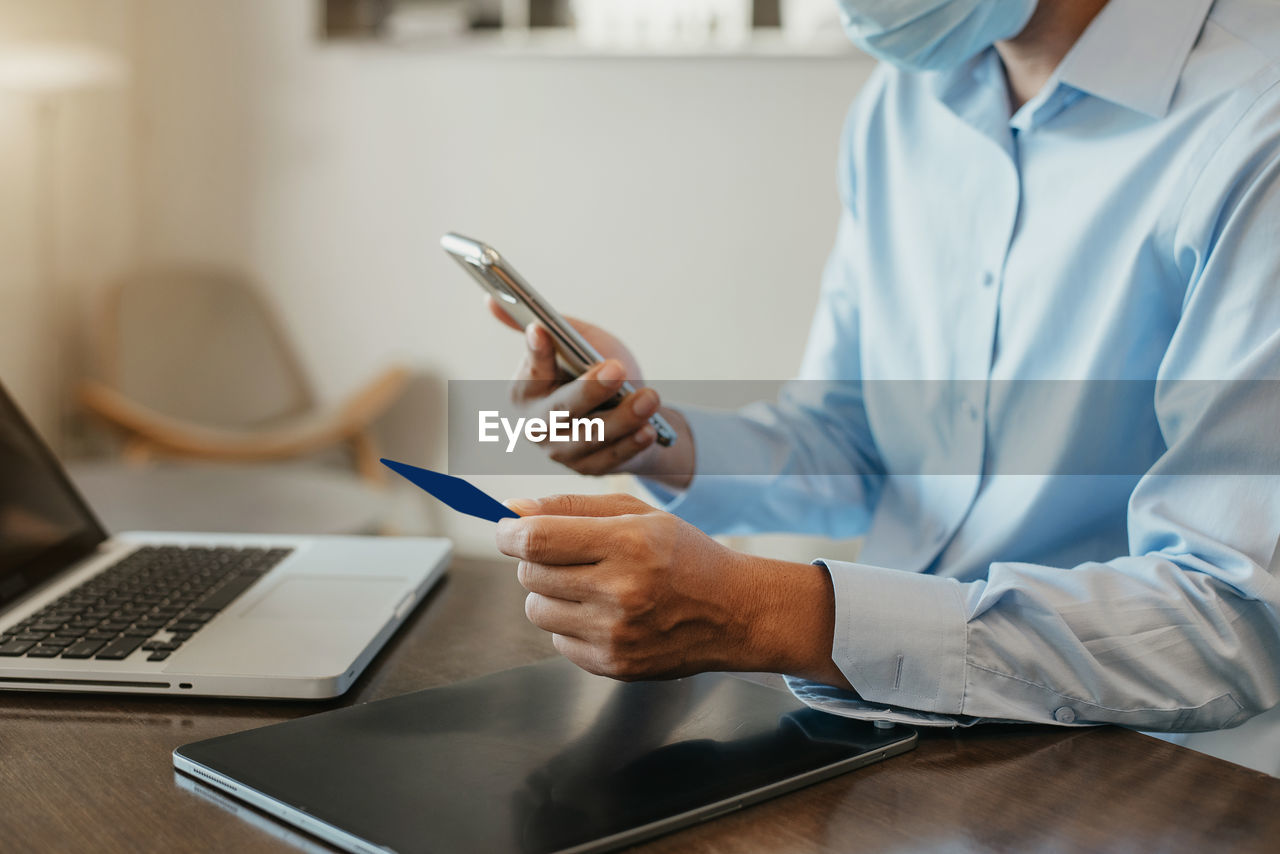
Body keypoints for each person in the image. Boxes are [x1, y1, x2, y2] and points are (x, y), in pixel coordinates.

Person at [489, 0, 1280, 771]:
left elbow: (1232, 619)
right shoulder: (903, 106)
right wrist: (652, 439)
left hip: (1152, 765)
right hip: (888, 727)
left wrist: (773, 615)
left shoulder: (1256, 122)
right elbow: (850, 441)